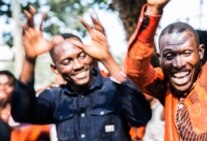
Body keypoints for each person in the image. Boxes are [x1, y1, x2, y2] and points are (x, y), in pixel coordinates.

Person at [10, 5, 151, 141]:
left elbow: (140, 117)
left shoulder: (113, 89)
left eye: (82, 56)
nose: (77, 65)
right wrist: (29, 60)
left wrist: (107, 59)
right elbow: (22, 114)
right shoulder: (54, 98)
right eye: (67, 62)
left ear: (90, 55)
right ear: (55, 69)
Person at [124, 0, 207, 140]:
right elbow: (135, 70)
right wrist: (153, 9)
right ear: (160, 59)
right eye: (169, 55)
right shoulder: (165, 84)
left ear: (200, 52)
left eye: (186, 53)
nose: (178, 64)